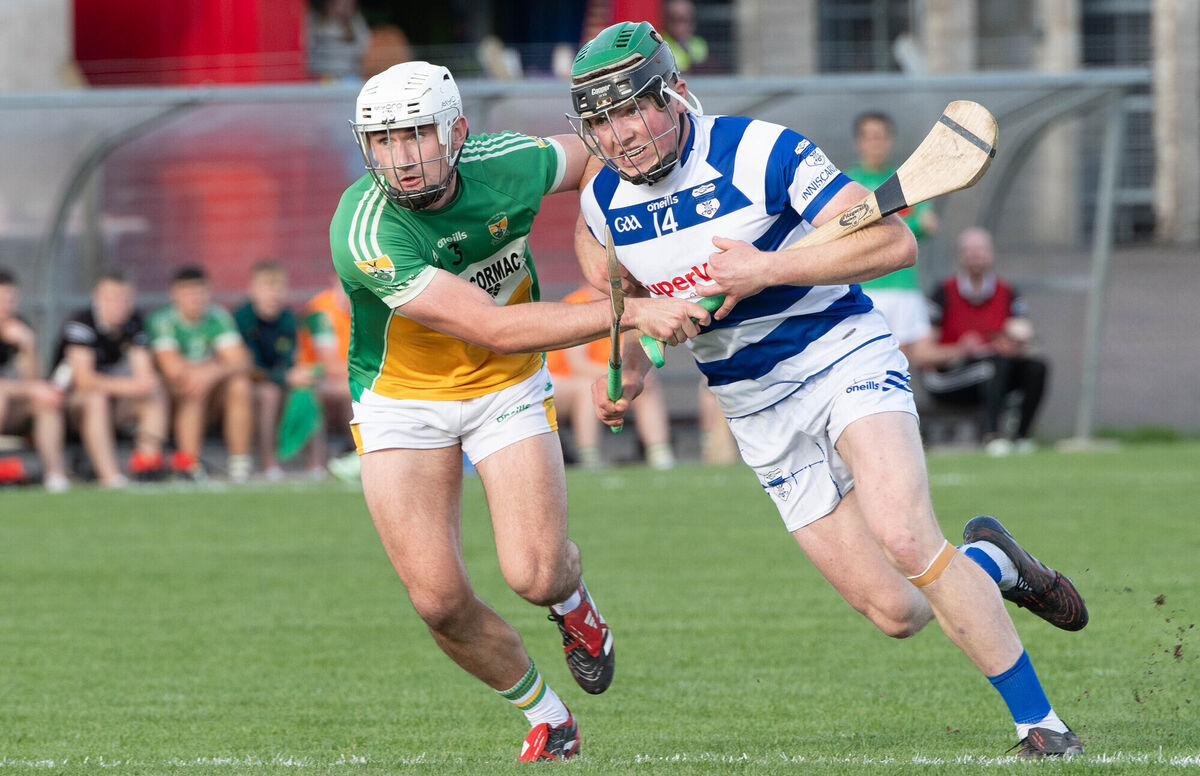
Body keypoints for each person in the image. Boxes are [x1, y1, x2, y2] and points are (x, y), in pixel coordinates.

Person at [569, 21, 1087, 758]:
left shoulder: (761, 151)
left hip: (841, 354)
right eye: (600, 121)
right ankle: (995, 563)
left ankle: (1042, 727)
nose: (620, 135)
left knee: (906, 534)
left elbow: (891, 240)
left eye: (632, 110)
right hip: (753, 404)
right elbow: (647, 319)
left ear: (674, 93)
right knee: (898, 609)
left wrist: (767, 269)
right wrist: (629, 372)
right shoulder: (603, 205)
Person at [329, 61, 708, 762]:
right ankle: (548, 714)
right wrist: (633, 312)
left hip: (505, 389)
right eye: (382, 142)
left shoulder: (510, 161)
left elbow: (605, 159)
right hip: (403, 403)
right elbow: (494, 327)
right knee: (438, 601)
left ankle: (573, 606)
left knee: (535, 574)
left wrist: (596, 249)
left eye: (416, 136)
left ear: (458, 132)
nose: (401, 159)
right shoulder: (366, 232)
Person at [923, 228, 1050, 456]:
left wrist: (1014, 345)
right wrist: (959, 349)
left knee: (1036, 368)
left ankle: (1021, 437)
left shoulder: (1007, 292)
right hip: (949, 376)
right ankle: (991, 436)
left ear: (991, 254)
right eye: (970, 251)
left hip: (995, 369)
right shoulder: (943, 293)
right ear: (960, 256)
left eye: (980, 250)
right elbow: (924, 352)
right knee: (992, 366)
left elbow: (1022, 339)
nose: (975, 256)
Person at [845, 111, 942, 369]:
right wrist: (905, 227)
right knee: (870, 360)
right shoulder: (847, 184)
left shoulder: (905, 180)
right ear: (859, 142)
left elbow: (928, 223)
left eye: (883, 136)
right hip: (867, 286)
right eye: (871, 137)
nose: (878, 143)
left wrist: (878, 227)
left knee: (907, 362)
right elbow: (849, 232)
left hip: (904, 286)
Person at [53, 270, 167, 487]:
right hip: (71, 407)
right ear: (97, 298)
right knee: (96, 398)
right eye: (112, 298)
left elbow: (144, 374)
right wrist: (134, 386)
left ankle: (147, 466)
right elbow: (84, 380)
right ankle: (110, 476)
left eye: (125, 299)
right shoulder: (81, 324)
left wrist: (141, 385)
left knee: (155, 392)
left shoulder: (134, 323)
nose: (120, 305)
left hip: (114, 402)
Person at [546, 284, 676, 470]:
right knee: (585, 388)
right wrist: (615, 376)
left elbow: (631, 352)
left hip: (605, 376)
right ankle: (589, 456)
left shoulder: (624, 308)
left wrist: (632, 375)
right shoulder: (578, 303)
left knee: (644, 383)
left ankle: (660, 453)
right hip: (566, 381)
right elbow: (577, 365)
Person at [147, 265, 254, 482]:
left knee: (240, 384)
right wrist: (212, 366)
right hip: (170, 398)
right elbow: (173, 370)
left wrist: (212, 371)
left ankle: (240, 463)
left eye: (199, 291)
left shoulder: (217, 317)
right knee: (191, 386)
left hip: (209, 392)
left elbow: (241, 360)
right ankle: (189, 464)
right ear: (174, 294)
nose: (195, 298)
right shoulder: (162, 321)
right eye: (188, 292)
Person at [234, 260, 316, 480]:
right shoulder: (241, 319)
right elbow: (248, 365)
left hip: (280, 380)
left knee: (308, 389)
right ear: (252, 290)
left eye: (278, 288)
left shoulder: (289, 319)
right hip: (249, 384)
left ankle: (316, 464)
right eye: (266, 287)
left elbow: (293, 357)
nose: (272, 295)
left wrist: (300, 373)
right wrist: (284, 376)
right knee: (269, 393)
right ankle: (268, 462)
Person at [0, 267, 70, 491]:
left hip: (11, 410)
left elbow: (34, 380)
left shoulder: (20, 328)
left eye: (11, 299)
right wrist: (32, 389)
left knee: (45, 403)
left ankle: (55, 475)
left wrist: (28, 346)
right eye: (1, 299)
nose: (6, 305)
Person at [296, 273, 355, 479]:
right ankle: (318, 464)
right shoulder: (320, 312)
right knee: (356, 391)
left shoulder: (362, 308)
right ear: (335, 281)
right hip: (312, 379)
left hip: (346, 377)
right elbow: (330, 366)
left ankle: (362, 456)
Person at [306, 0, 370, 82]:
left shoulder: (356, 24)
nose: (344, 8)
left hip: (349, 78)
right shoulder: (314, 22)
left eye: (348, 4)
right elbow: (306, 51)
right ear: (329, 4)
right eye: (340, 4)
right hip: (319, 79)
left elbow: (364, 52)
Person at [661, 0, 712, 73]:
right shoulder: (659, 44)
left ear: (692, 22)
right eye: (673, 20)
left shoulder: (699, 44)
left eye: (683, 20)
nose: (678, 26)